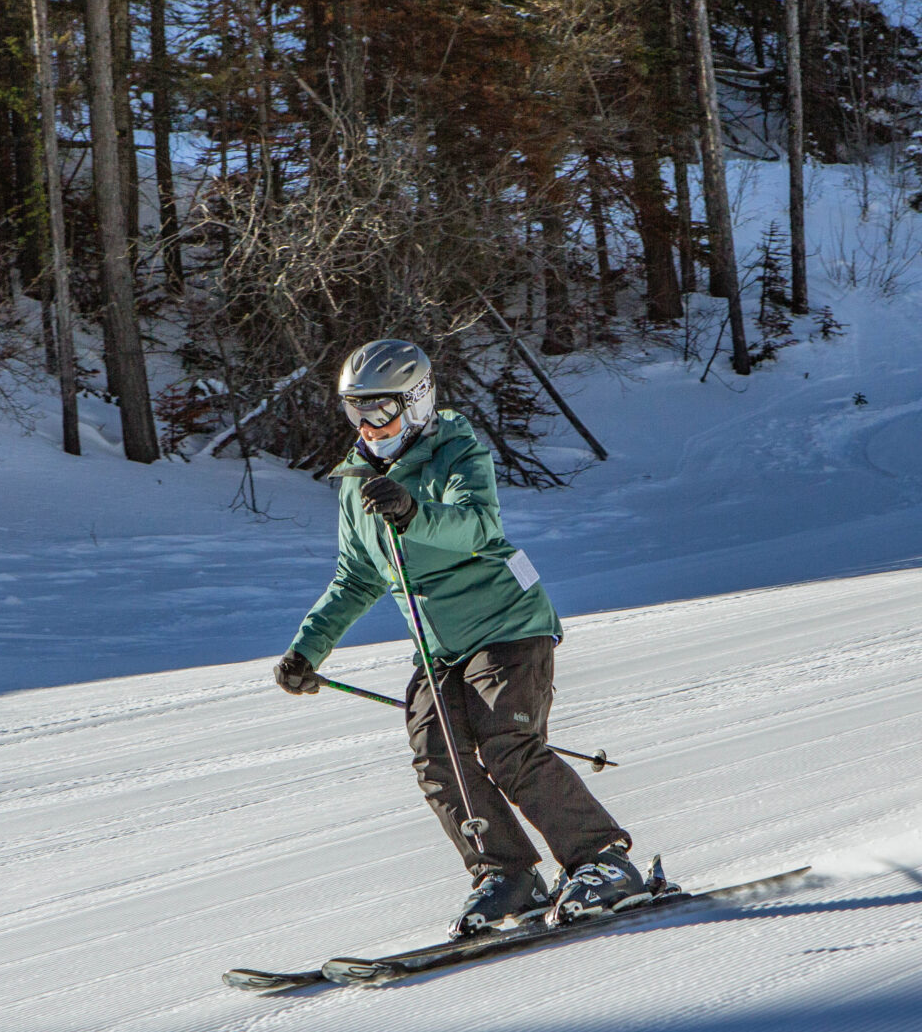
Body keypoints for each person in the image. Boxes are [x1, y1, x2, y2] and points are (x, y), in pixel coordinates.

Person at [273, 338, 645, 937]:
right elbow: (356, 576)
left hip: (507, 625)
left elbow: (478, 525)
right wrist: (306, 649)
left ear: (417, 403)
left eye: (381, 410)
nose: (368, 427)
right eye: (354, 411)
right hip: (440, 645)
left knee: (507, 742)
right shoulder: (354, 482)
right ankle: (507, 875)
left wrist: (414, 513)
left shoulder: (457, 451)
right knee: (435, 754)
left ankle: (603, 861)